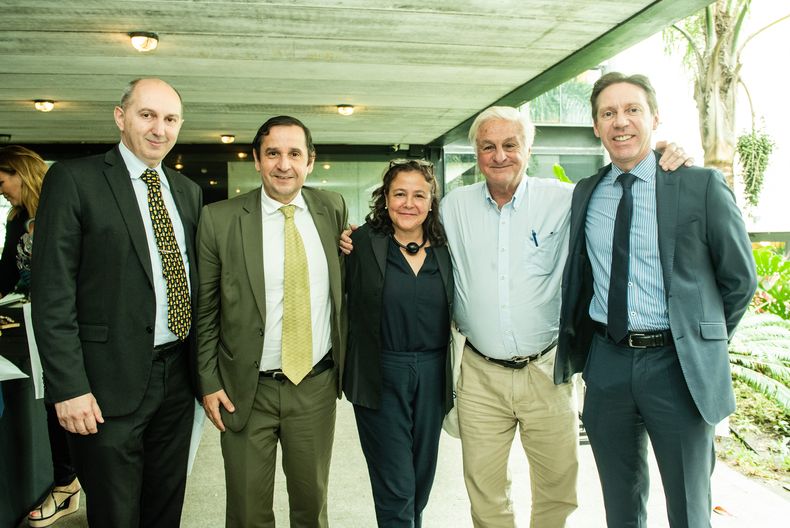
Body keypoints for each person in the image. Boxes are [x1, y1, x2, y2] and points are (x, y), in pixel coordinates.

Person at [555, 72, 757, 527]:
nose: (620, 122)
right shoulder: (587, 193)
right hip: (607, 366)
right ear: (596, 126)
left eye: (632, 110)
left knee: (689, 506)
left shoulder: (699, 185)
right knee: (621, 506)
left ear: (654, 118)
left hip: (677, 368)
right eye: (608, 113)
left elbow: (740, 281)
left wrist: (699, 341)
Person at [31, 78, 203, 527]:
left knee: (165, 505)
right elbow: (52, 294)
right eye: (147, 115)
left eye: (170, 119)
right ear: (120, 116)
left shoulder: (186, 191)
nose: (158, 129)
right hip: (103, 384)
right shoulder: (74, 179)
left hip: (178, 377)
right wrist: (67, 387)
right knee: (115, 513)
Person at [196, 115, 347, 527]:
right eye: (273, 153)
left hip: (314, 387)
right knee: (247, 511)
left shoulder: (331, 208)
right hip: (246, 388)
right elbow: (205, 311)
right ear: (257, 162)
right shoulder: (220, 220)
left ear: (310, 161)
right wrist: (208, 382)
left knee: (311, 505)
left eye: (294, 153)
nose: (284, 164)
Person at [344, 159, 453, 527]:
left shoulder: (447, 247)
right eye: (400, 194)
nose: (409, 203)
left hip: (434, 374)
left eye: (419, 195)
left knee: (420, 481)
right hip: (380, 373)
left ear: (432, 201)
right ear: (385, 199)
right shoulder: (360, 243)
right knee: (396, 485)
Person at [0, 146, 81, 528]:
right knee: (53, 403)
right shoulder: (17, 220)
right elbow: (5, 273)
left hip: (74, 324)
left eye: (2, 181)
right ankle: (66, 484)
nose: (1, 191)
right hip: (32, 326)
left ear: (21, 173)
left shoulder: (63, 207)